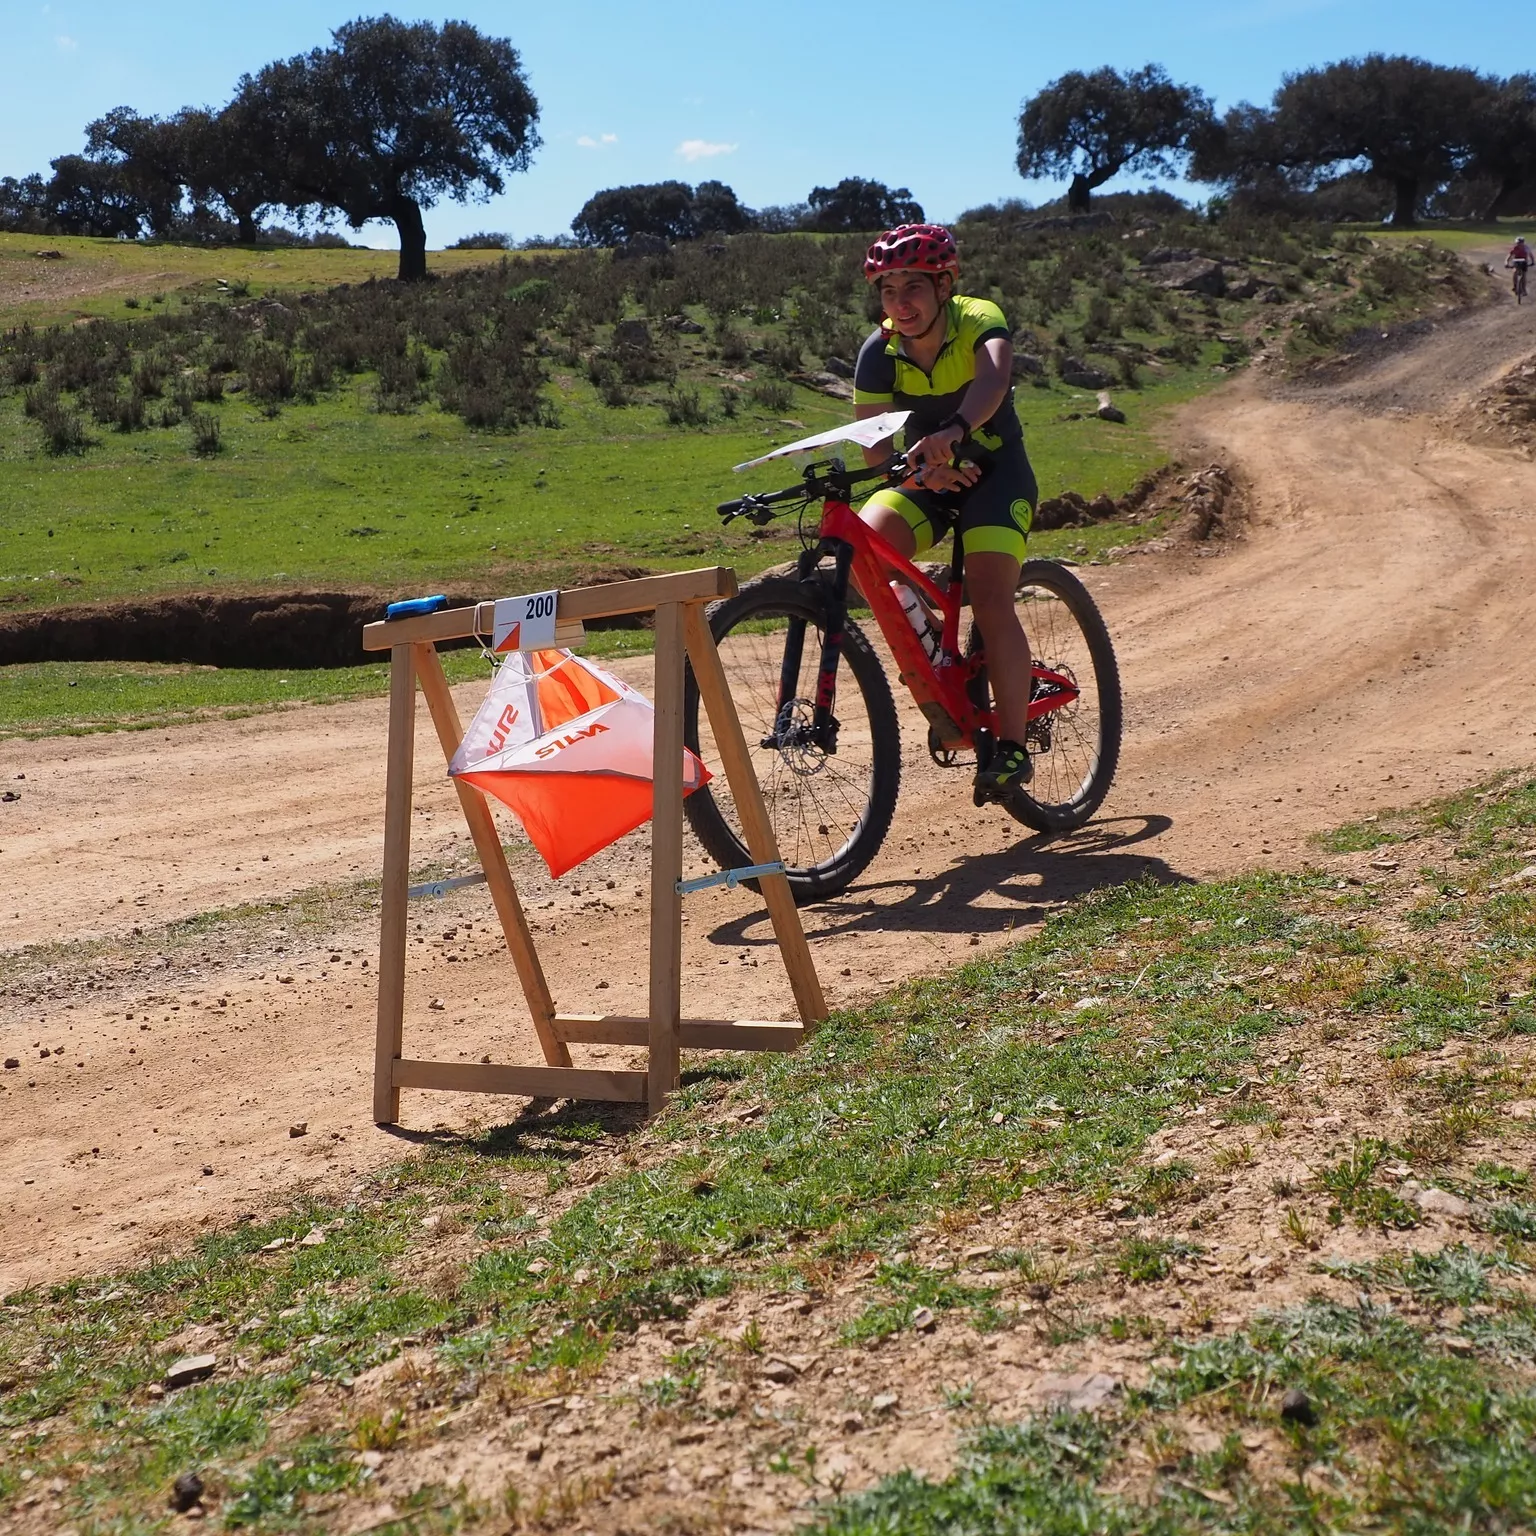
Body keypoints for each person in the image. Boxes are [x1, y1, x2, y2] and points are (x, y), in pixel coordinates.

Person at [852, 222, 1040, 807]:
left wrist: (955, 431)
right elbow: (876, 447)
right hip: (928, 478)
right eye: (887, 290)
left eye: (912, 287)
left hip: (996, 472)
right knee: (863, 550)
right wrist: (924, 471)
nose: (899, 303)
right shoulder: (878, 352)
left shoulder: (978, 318)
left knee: (989, 596)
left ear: (945, 284)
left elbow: (994, 377)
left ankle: (1011, 746)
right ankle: (935, 641)